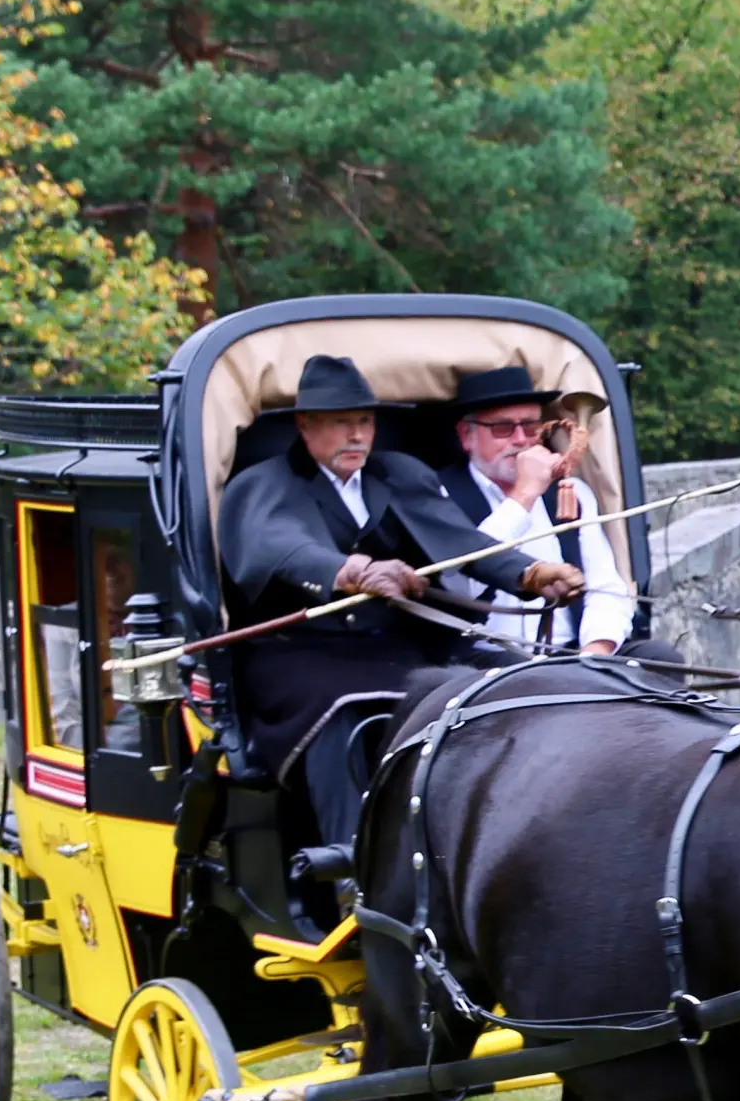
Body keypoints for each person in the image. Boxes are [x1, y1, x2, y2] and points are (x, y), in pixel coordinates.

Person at [215, 354, 585, 852]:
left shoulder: (398, 473)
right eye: (341, 422)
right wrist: (353, 571)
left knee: (517, 681)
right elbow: (283, 546)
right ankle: (350, 862)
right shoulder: (262, 484)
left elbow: (460, 541)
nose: (357, 435)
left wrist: (530, 573)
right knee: (341, 715)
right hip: (299, 651)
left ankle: (522, 840)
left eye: (365, 421)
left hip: (398, 644)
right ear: (305, 424)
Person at [442, 363, 638, 653]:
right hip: (484, 658)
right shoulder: (441, 494)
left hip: (571, 653)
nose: (521, 440)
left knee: (659, 656)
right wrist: (524, 495)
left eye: (531, 427)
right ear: (466, 436)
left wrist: (595, 652)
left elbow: (605, 587)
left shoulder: (572, 493)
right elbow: (462, 584)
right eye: (502, 429)